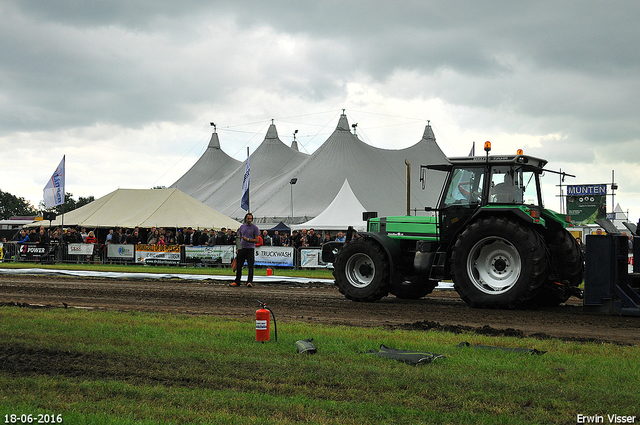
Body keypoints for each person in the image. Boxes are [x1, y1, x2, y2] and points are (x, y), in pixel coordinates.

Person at [230, 213, 260, 288]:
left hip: (250, 249)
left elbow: (257, 240)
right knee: (239, 266)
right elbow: (239, 238)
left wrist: (248, 239)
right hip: (242, 248)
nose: (249, 220)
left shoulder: (255, 228)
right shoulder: (242, 227)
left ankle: (249, 281)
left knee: (250, 266)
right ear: (245, 219)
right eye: (248, 218)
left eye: (250, 219)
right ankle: (237, 281)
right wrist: (237, 248)